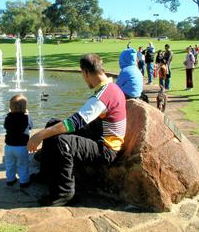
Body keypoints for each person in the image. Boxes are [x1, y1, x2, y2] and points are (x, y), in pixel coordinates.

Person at [27, 53, 126, 206]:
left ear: (85, 72)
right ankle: (46, 174)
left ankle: (64, 193)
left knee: (62, 142)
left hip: (106, 149)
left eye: (82, 74)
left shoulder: (102, 96)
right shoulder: (110, 86)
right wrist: (47, 132)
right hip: (96, 134)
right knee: (52, 123)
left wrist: (39, 135)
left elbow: (75, 123)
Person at [4, 94, 33, 188]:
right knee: (23, 164)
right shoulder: (26, 117)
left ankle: (10, 180)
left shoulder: (8, 117)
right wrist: (28, 115)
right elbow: (31, 126)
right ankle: (24, 182)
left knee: (9, 164)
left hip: (9, 146)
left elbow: (5, 126)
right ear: (25, 107)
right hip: (21, 146)